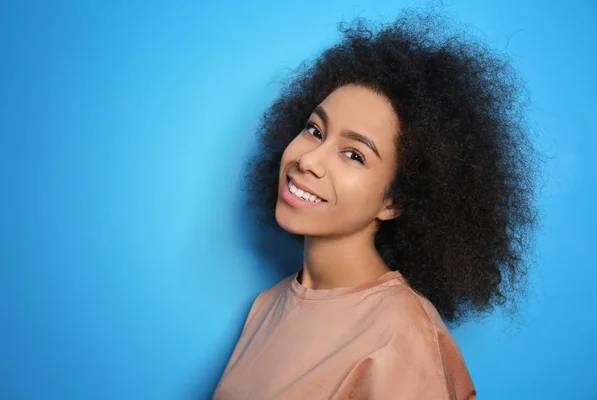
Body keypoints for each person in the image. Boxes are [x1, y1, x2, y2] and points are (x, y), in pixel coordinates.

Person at [213, 8, 537, 400]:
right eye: (315, 130)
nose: (308, 160)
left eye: (354, 155)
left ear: (395, 200)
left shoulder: (402, 336)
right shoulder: (266, 307)